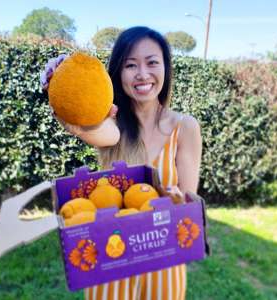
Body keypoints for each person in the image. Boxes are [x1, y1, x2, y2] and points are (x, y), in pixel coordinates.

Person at [41, 26, 202, 300]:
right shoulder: (112, 122)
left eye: (152, 62)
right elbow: (88, 128)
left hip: (163, 258)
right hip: (110, 255)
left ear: (166, 67)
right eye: (131, 65)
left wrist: (180, 200)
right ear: (119, 72)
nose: (142, 74)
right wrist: (62, 84)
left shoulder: (185, 127)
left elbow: (189, 198)